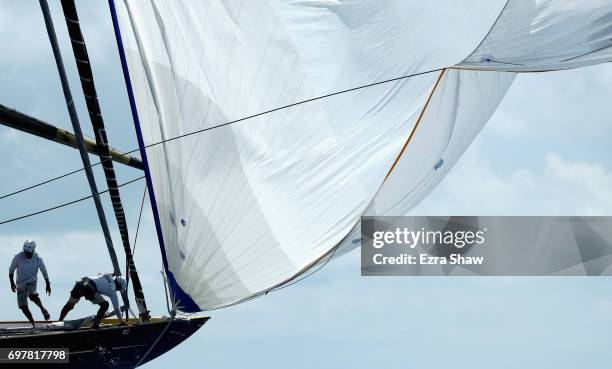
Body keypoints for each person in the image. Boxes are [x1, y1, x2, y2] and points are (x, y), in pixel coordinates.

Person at [59, 272, 128, 328]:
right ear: (119, 286)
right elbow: (116, 308)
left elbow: (101, 273)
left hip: (81, 282)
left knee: (69, 305)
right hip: (88, 288)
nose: (118, 290)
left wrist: (113, 274)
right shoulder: (112, 291)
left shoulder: (107, 275)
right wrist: (121, 321)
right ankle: (96, 324)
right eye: (119, 289)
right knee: (105, 305)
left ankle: (59, 321)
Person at [8, 239, 51, 327]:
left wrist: (48, 283)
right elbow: (11, 270)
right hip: (20, 283)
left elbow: (44, 270)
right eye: (26, 252)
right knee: (23, 307)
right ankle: (33, 324)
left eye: (29, 252)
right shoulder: (18, 257)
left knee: (32, 295)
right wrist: (12, 283)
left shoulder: (37, 258)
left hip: (31, 281)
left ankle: (43, 309)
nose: (27, 254)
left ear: (33, 251)